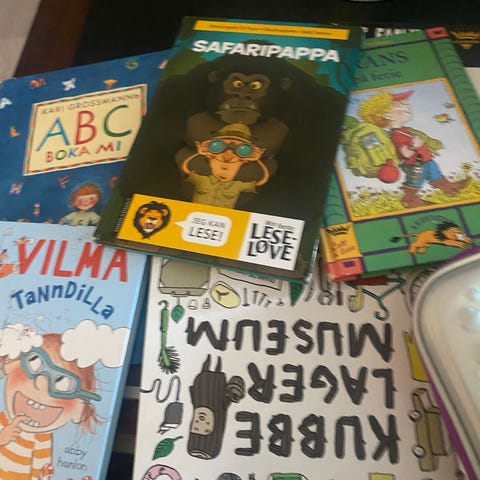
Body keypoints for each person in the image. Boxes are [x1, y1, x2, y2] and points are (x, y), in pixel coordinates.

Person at [0, 333, 101, 480]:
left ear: (80, 408)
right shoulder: (2, 419)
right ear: (11, 364)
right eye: (34, 362)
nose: (41, 383)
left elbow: (40, 473)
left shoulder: (42, 439)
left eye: (63, 383)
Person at [358, 90, 470, 208]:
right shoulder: (396, 135)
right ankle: (409, 200)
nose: (406, 105)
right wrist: (415, 146)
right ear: (388, 115)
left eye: (404, 103)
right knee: (415, 181)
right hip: (415, 164)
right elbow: (405, 154)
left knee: (435, 174)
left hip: (424, 160)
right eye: (398, 105)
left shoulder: (403, 130)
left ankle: (450, 188)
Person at [181, 123, 269, 209]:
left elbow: (262, 181)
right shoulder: (203, 180)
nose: (227, 157)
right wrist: (199, 152)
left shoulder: (236, 186)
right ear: (209, 156)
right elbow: (185, 168)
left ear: (244, 161)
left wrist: (257, 159)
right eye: (218, 147)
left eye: (242, 150)